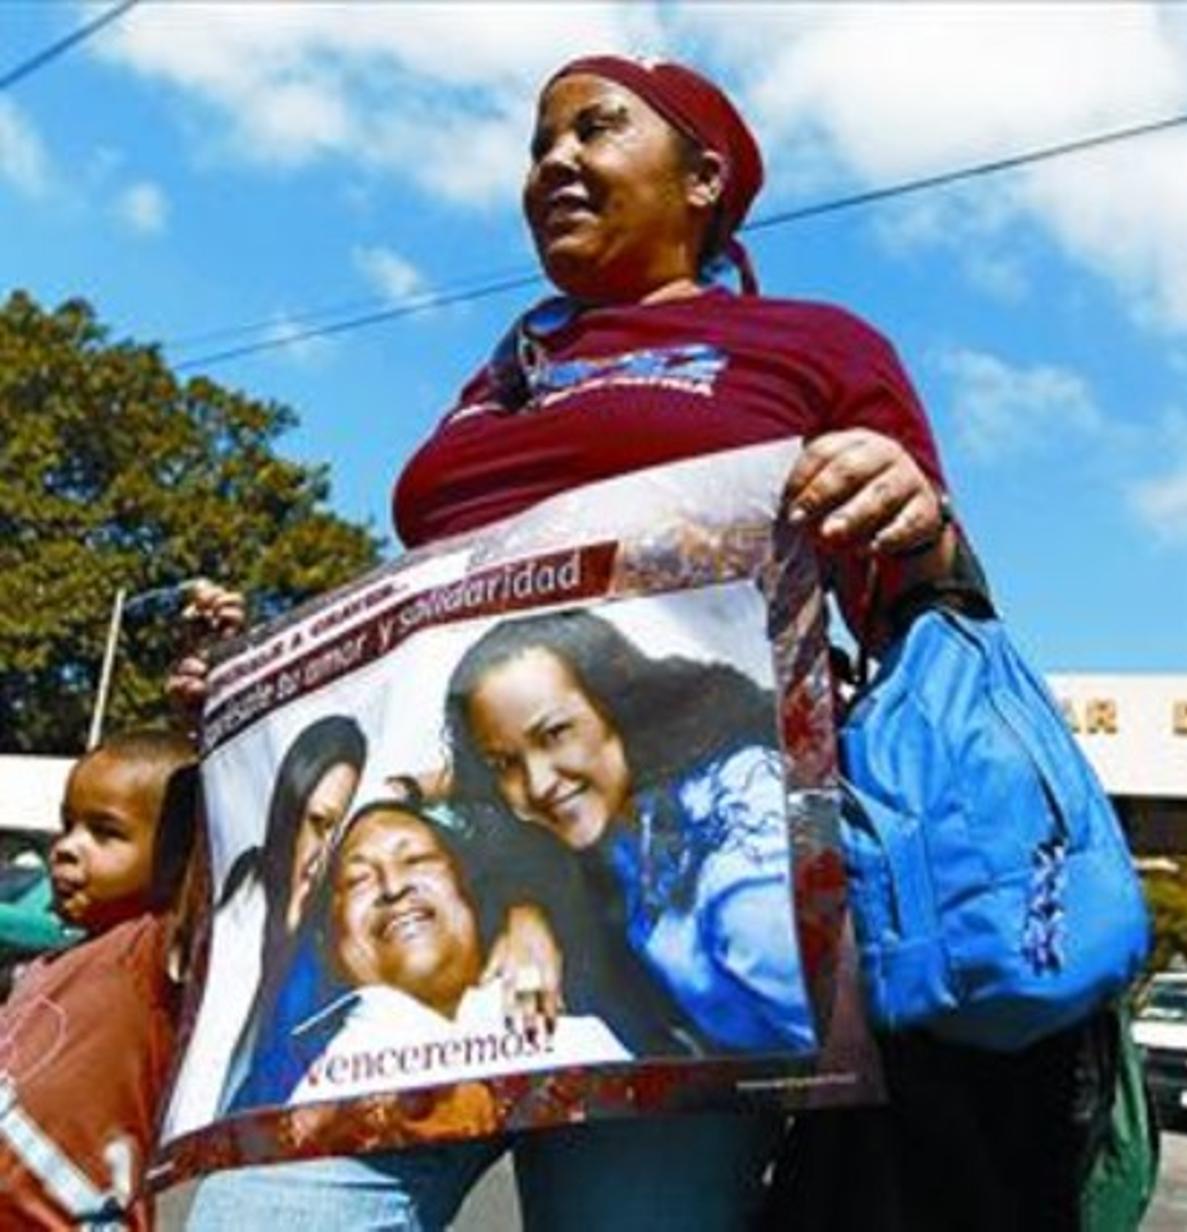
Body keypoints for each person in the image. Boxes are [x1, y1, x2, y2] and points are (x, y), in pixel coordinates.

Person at [181, 52, 963, 1232]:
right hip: (439, 911)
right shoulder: (496, 380)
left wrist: (915, 512)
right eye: (541, 141)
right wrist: (265, 676)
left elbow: (923, 606)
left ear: (704, 180)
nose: (556, 161)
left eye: (595, 130)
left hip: (675, 937)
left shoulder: (817, 345)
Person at [445, 608, 813, 1054]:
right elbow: (476, 815)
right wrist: (527, 913)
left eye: (555, 733)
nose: (538, 783)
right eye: (504, 764)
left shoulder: (745, 878)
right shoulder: (624, 823)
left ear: (615, 705)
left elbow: (843, 1060)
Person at [283, 801, 629, 1107]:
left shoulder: (586, 1043)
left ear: (468, 891)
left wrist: (527, 913)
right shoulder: (304, 1106)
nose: (394, 887)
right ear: (325, 938)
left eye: (416, 860)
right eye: (358, 879)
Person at [0, 729, 198, 1230]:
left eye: (105, 832)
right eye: (67, 825)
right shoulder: (46, 966)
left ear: (179, 857)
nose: (65, 848)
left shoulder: (152, 950)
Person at [161, 715, 368, 1136]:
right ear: (287, 816)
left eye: (343, 836)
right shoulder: (239, 893)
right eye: (318, 824)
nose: (324, 857)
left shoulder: (343, 955)